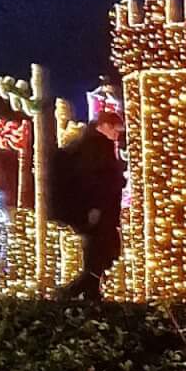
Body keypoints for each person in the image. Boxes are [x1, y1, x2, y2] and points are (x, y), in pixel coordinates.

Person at [54, 99, 125, 298]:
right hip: (98, 213)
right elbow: (96, 179)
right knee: (102, 254)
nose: (116, 135)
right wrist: (95, 207)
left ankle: (91, 293)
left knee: (99, 256)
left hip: (97, 212)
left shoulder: (94, 144)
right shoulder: (96, 147)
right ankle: (73, 291)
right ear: (105, 126)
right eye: (115, 130)